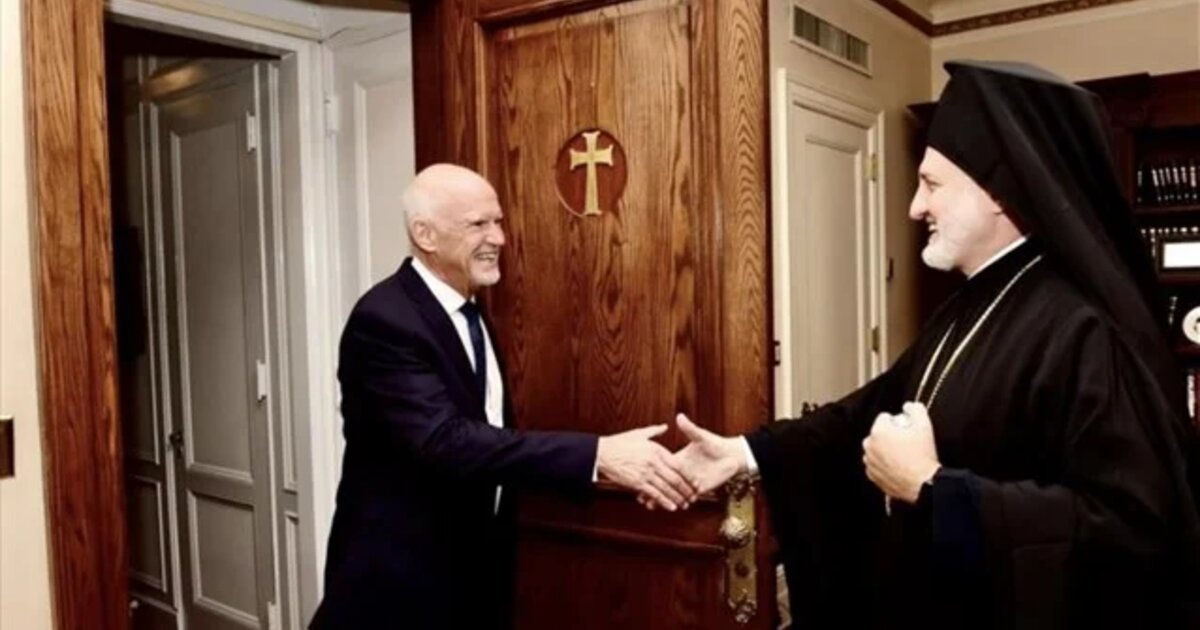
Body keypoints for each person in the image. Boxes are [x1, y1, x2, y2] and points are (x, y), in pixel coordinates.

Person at [671, 61, 1200, 628]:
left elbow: (1132, 535)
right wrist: (748, 453)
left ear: (1000, 192)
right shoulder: (970, 303)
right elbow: (868, 411)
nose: (914, 206)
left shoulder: (1087, 332)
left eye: (932, 184)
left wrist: (934, 489)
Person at [309, 164, 696, 629]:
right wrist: (597, 455)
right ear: (424, 234)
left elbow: (490, 439)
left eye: (498, 222)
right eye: (478, 224)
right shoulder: (385, 319)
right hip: (397, 587)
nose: (499, 238)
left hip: (471, 578)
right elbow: (444, 440)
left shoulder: (469, 310)